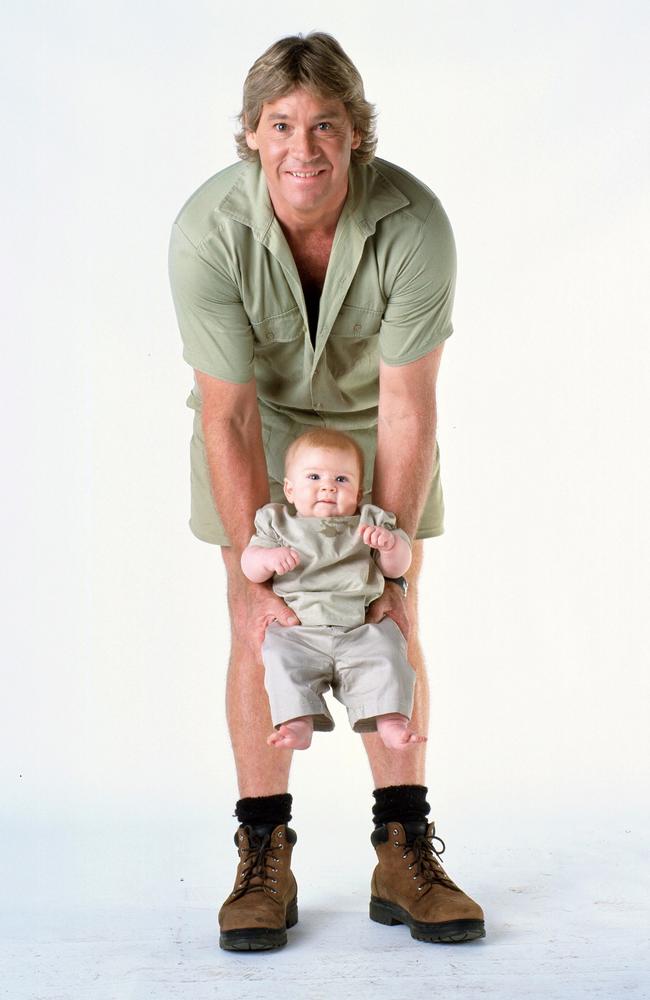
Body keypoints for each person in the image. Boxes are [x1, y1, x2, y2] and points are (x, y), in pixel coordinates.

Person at [169, 31, 485, 950]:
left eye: (325, 125)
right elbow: (224, 416)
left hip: (370, 440)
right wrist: (262, 566)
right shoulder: (208, 232)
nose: (303, 148)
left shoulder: (415, 225)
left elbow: (407, 409)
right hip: (257, 434)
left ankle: (403, 850)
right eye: (281, 125)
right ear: (252, 135)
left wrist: (383, 548)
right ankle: (263, 855)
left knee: (389, 617)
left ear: (356, 135)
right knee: (257, 621)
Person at [241, 428, 426, 750]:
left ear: (358, 493)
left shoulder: (369, 522)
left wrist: (390, 545)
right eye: (313, 476)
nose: (327, 485)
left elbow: (397, 569)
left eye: (341, 480)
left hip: (361, 627)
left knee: (388, 657)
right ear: (289, 489)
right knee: (280, 659)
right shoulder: (277, 523)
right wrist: (267, 558)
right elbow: (249, 567)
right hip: (298, 631)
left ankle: (392, 721)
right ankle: (296, 723)